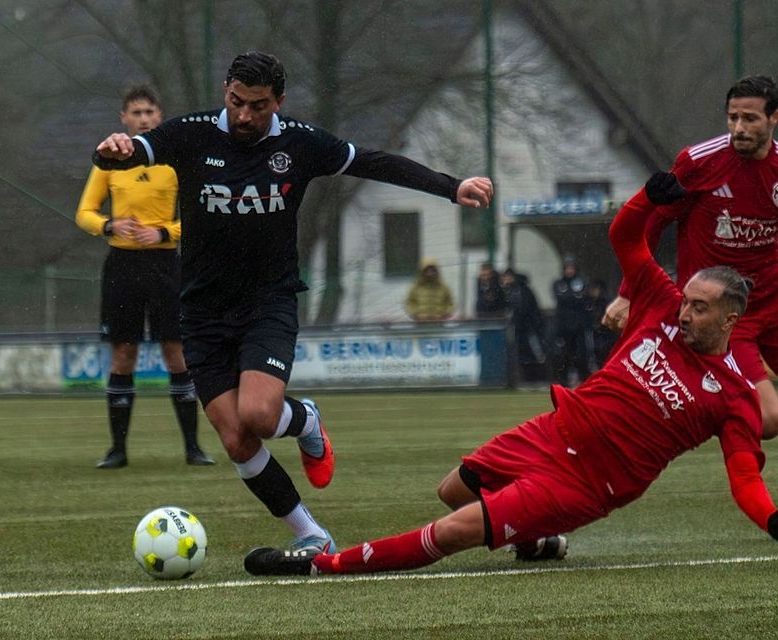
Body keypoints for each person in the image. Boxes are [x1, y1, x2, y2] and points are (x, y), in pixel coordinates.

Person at [243, 175, 778, 578]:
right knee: (452, 487)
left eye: (701, 308)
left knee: (453, 530)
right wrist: (649, 198)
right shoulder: (659, 302)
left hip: (588, 481)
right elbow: (625, 236)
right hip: (555, 431)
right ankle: (535, 539)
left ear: (732, 318)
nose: (685, 311)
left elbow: (743, 475)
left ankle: (324, 565)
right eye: (686, 301)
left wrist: (773, 517)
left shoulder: (735, 392)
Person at [92, 51, 493, 553]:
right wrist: (111, 150)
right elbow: (128, 152)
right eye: (236, 102)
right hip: (200, 311)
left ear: (278, 102)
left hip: (267, 302)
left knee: (260, 416)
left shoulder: (300, 144)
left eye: (257, 106)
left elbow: (372, 161)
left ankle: (304, 418)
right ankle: (313, 535)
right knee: (237, 439)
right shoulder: (192, 133)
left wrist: (451, 187)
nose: (244, 115)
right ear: (225, 91)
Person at [604, 76, 778, 523]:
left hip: (773, 299)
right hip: (720, 314)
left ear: (774, 118)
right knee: (770, 421)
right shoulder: (699, 162)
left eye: (750, 118)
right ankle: (707, 418)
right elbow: (651, 224)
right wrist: (627, 294)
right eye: (733, 117)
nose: (739, 127)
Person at [75, 86, 215, 469]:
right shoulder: (108, 162)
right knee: (124, 353)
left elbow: (200, 217)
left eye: (149, 112)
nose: (143, 118)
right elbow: (84, 212)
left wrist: (164, 232)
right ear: (124, 118)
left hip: (167, 265)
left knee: (176, 352)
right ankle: (117, 450)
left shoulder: (175, 162)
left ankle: (193, 448)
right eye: (135, 112)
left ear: (159, 116)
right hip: (123, 267)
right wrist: (108, 225)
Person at [551, 256, 592, 386]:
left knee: (581, 355)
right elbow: (561, 298)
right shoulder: (558, 283)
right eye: (567, 268)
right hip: (563, 327)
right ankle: (563, 382)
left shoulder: (582, 282)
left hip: (578, 327)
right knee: (563, 355)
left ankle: (583, 381)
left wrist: (572, 297)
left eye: (571, 267)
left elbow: (583, 297)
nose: (569, 270)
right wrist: (574, 297)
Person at [501, 268, 547, 383]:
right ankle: (529, 378)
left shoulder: (520, 291)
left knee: (535, 353)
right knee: (524, 354)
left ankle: (537, 378)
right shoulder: (511, 291)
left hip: (528, 328)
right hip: (521, 328)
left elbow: (525, 310)